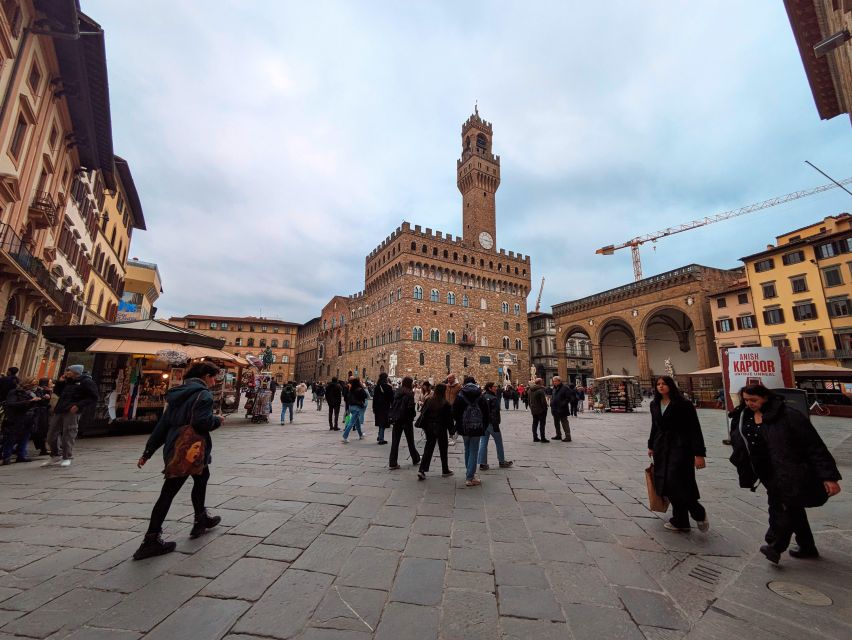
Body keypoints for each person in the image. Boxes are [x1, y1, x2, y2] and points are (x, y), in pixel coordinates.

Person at [729, 384, 841, 564]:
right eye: (746, 400)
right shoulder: (744, 416)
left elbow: (814, 446)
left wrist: (828, 476)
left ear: (765, 397)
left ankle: (775, 545)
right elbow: (739, 440)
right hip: (764, 471)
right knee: (792, 506)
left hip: (790, 469)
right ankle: (807, 546)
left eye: (754, 400)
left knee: (781, 506)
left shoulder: (789, 415)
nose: (749, 403)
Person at [133, 361, 224, 560]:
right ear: (206, 376)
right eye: (214, 377)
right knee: (169, 492)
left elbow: (163, 425)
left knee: (202, 477)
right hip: (191, 449)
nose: (215, 381)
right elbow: (202, 423)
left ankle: (201, 518)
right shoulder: (204, 395)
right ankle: (150, 540)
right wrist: (217, 420)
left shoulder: (177, 393)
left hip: (174, 445)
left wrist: (148, 451)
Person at [647, 375, 709, 533]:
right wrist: (651, 445)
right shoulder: (654, 404)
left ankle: (698, 512)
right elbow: (655, 426)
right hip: (661, 447)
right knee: (667, 484)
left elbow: (694, 429)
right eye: (658, 384)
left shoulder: (684, 404)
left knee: (679, 482)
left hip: (680, 447)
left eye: (664, 384)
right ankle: (680, 520)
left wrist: (699, 454)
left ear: (671, 386)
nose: (661, 386)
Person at [42, 365, 98, 468]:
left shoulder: (86, 381)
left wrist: (78, 405)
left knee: (68, 433)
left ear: (76, 372)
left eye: (69, 371)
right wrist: (60, 382)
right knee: (51, 434)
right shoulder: (67, 381)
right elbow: (58, 393)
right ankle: (55, 454)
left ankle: (67, 457)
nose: (67, 372)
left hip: (72, 411)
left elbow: (93, 397)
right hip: (60, 409)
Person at [453, 376, 488, 486]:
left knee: (467, 449)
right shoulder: (480, 395)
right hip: (477, 427)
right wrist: (484, 426)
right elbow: (486, 412)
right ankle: (470, 477)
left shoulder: (460, 395)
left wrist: (459, 424)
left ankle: (469, 472)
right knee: (474, 451)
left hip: (464, 428)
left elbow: (454, 412)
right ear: (474, 383)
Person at [417, 383, 454, 480]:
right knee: (443, 449)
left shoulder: (429, 400)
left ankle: (422, 470)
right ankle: (445, 469)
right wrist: (451, 430)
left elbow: (423, 413)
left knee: (428, 449)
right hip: (441, 428)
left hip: (429, 428)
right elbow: (449, 419)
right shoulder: (445, 403)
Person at [2, 378, 40, 464]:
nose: (34, 386)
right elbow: (11, 403)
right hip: (16, 418)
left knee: (25, 437)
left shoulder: (34, 393)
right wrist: (29, 401)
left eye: (36, 384)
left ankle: (21, 455)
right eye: (33, 384)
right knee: (11, 437)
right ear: (27, 383)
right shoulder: (15, 392)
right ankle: (6, 456)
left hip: (30, 418)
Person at [479, 381, 512, 471]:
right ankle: (501, 461)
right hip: (492, 424)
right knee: (498, 442)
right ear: (490, 388)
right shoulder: (493, 398)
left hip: (483, 423)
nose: (496, 388)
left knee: (483, 443)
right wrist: (495, 424)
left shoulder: (482, 396)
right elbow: (494, 413)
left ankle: (482, 463)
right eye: (494, 386)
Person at [388, 376, 420, 469]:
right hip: (406, 420)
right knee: (410, 441)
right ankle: (415, 458)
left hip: (397, 419)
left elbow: (394, 404)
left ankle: (392, 463)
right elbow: (410, 408)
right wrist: (413, 415)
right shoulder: (410, 393)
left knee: (395, 442)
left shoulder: (398, 391)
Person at [342, 378, 367, 443]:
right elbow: (365, 395)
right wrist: (362, 386)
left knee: (357, 422)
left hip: (351, 407)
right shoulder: (360, 389)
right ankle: (345, 436)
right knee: (351, 422)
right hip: (357, 407)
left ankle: (360, 435)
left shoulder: (351, 389)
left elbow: (348, 397)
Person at [550, 376, 572, 442]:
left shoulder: (565, 388)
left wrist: (562, 404)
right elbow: (553, 397)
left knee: (564, 422)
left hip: (562, 408)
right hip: (554, 408)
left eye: (555, 381)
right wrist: (551, 403)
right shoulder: (554, 388)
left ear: (559, 381)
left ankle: (568, 436)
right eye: (553, 381)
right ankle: (558, 435)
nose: (554, 383)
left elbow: (568, 398)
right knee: (556, 422)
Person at [527, 378, 549, 443]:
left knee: (534, 423)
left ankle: (535, 437)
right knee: (542, 424)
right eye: (542, 381)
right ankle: (543, 438)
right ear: (540, 383)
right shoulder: (540, 390)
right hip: (541, 410)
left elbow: (528, 401)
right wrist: (545, 409)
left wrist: (531, 408)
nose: (543, 382)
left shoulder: (530, 390)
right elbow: (543, 402)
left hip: (534, 410)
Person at [445, 374, 462, 446]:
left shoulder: (459, 386)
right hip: (447, 407)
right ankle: (451, 436)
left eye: (450, 378)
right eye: (448, 379)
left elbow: (461, 397)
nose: (448, 380)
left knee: (457, 421)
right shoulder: (446, 386)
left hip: (455, 407)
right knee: (449, 422)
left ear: (454, 378)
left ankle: (455, 432)